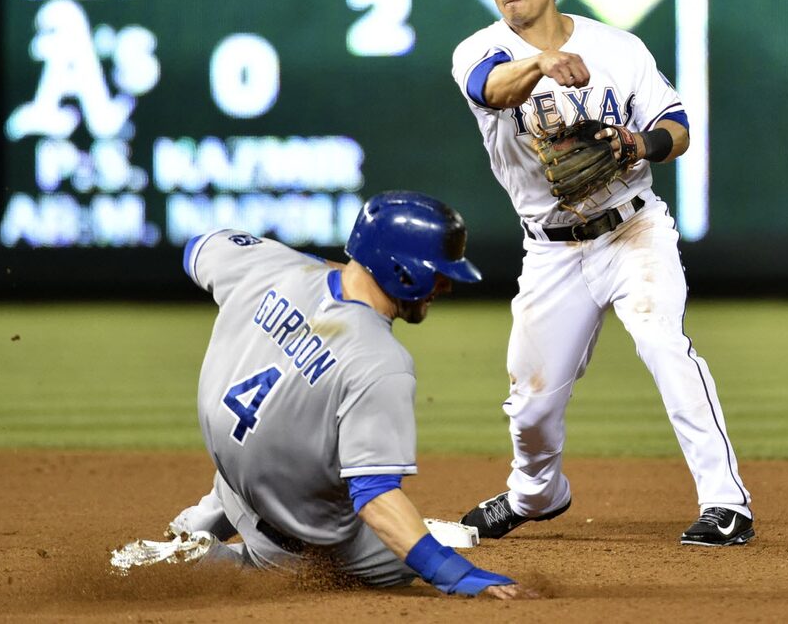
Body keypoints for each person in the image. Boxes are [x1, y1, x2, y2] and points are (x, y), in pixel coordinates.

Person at [451, 0, 754, 547]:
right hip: (551, 249)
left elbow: (677, 125)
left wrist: (639, 143)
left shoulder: (620, 47)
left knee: (662, 342)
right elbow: (493, 88)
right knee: (530, 402)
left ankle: (726, 503)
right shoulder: (478, 51)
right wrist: (541, 62)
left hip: (632, 228)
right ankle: (536, 495)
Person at [163, 191, 525, 598]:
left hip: (233, 466)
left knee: (288, 423)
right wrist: (456, 575)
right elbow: (374, 495)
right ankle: (228, 562)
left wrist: (311, 267)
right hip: (294, 526)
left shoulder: (273, 267)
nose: (445, 287)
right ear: (401, 271)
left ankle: (197, 524)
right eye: (438, 274)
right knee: (403, 557)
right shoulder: (380, 361)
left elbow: (198, 247)